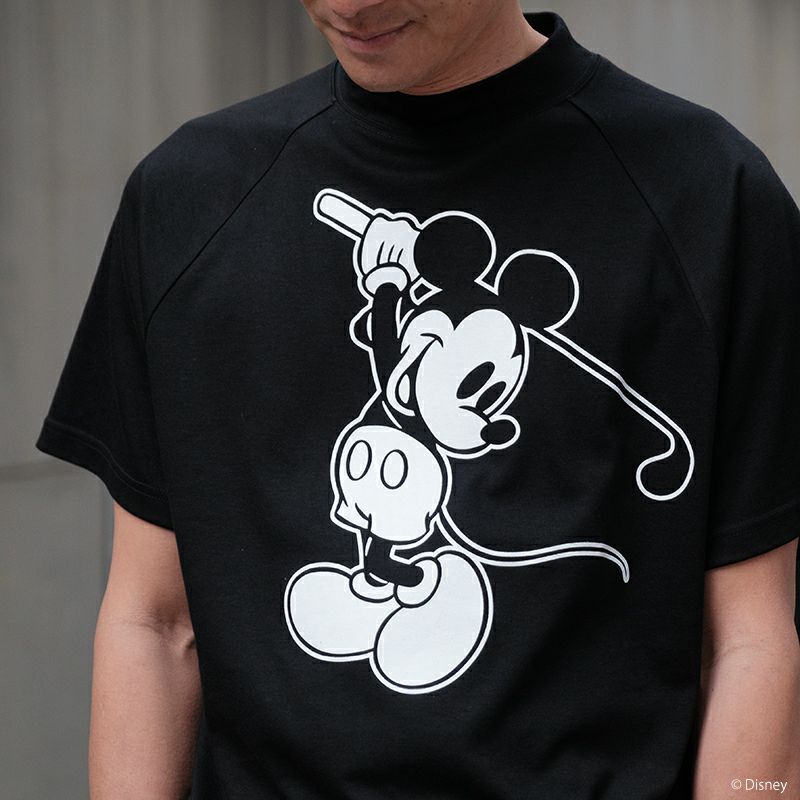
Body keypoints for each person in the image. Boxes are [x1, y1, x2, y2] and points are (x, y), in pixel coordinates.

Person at [34, 2, 800, 798]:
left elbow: (749, 638)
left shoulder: (708, 197)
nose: (350, 3)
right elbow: (156, 624)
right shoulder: (190, 196)